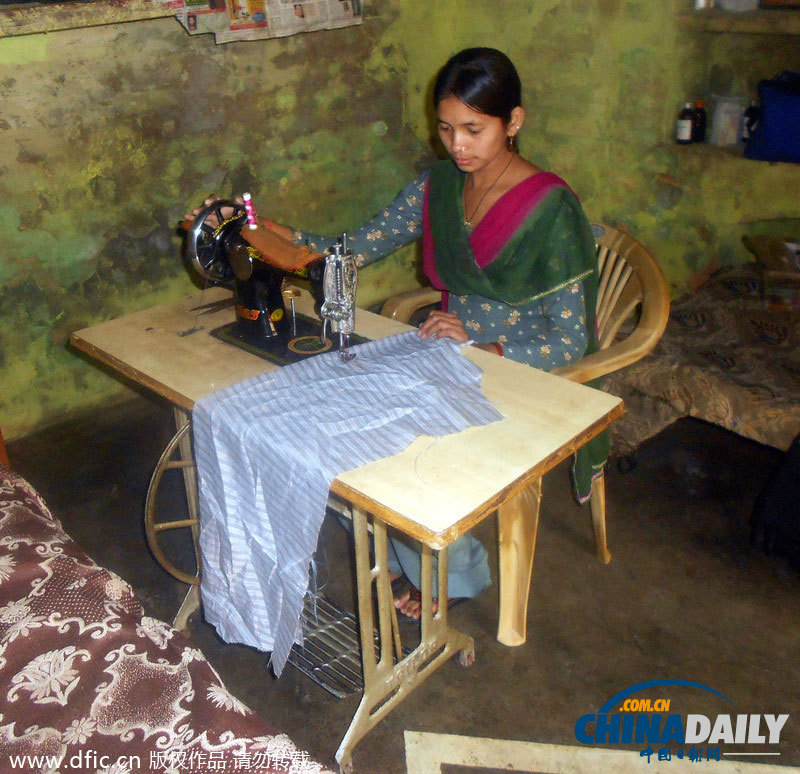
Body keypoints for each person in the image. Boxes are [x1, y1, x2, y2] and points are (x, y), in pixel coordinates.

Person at [188, 47, 606, 621]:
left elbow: (570, 340)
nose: (456, 145)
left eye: (474, 129)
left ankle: (452, 570)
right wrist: (249, 226)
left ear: (514, 122)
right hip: (445, 349)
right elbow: (346, 248)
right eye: (445, 128)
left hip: (520, 366)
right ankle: (415, 556)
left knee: (399, 456)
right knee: (327, 436)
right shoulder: (439, 187)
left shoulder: (551, 209)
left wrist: (488, 347)